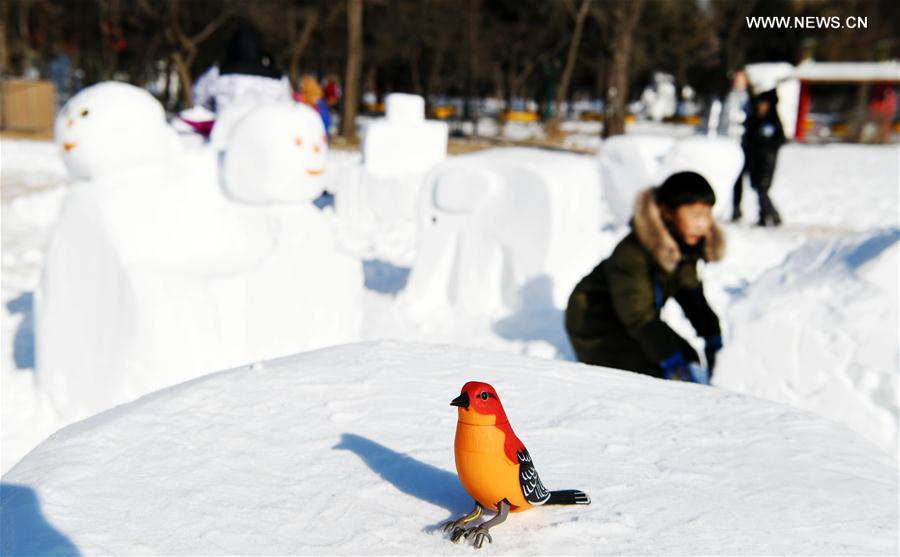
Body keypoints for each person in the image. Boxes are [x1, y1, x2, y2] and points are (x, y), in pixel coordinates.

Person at [565, 172, 725, 383]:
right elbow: (638, 317)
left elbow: (691, 297)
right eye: (695, 215)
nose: (703, 224)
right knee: (653, 376)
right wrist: (672, 363)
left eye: (707, 215)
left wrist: (714, 339)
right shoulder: (632, 254)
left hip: (634, 320)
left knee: (689, 357)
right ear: (667, 212)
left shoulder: (683, 248)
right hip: (595, 325)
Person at [192, 24, 292, 116]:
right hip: (267, 127)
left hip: (226, 126)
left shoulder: (218, 72)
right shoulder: (279, 78)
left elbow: (198, 97)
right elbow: (287, 106)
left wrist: (214, 112)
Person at [743, 89, 785, 226]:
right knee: (757, 188)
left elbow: (780, 140)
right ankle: (763, 216)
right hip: (754, 160)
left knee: (762, 188)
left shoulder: (773, 120)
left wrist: (766, 145)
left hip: (767, 160)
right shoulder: (753, 119)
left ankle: (774, 215)